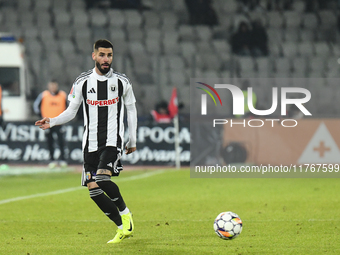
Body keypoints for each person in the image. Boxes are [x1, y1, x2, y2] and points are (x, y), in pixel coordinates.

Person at [35, 39, 137, 244]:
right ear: (94, 56)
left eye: (109, 55)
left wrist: (132, 138)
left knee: (102, 178)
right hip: (89, 143)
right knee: (93, 188)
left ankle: (126, 214)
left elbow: (131, 109)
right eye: (102, 55)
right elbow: (71, 111)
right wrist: (52, 121)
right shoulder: (82, 81)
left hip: (112, 140)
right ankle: (121, 227)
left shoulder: (121, 81)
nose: (106, 59)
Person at [33, 80, 68, 167]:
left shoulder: (63, 95)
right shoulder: (44, 95)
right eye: (51, 86)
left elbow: (69, 107)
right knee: (50, 141)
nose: (53, 88)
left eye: (54, 86)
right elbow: (36, 106)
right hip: (47, 123)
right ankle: (52, 160)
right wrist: (41, 116)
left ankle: (63, 159)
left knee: (61, 141)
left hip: (59, 122)